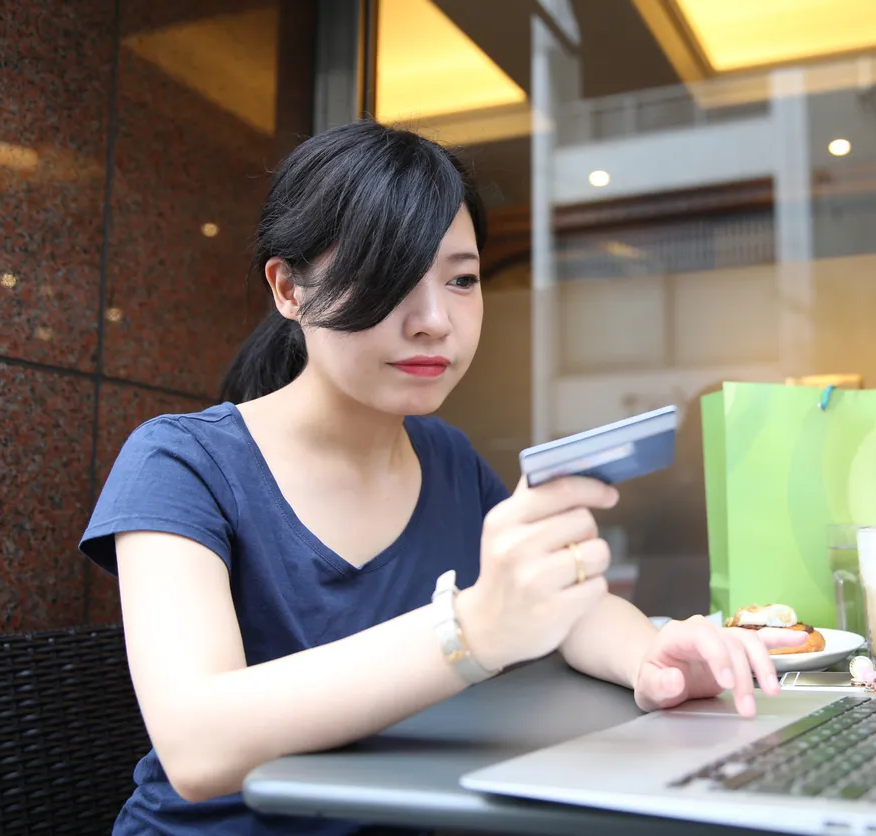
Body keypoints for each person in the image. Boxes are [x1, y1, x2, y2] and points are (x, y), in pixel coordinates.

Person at [80, 119, 805, 836]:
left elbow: (565, 605)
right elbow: (197, 746)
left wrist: (651, 655)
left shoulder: (448, 460)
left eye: (461, 279)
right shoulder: (181, 463)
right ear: (287, 289)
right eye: (388, 276)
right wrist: (472, 632)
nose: (435, 321)